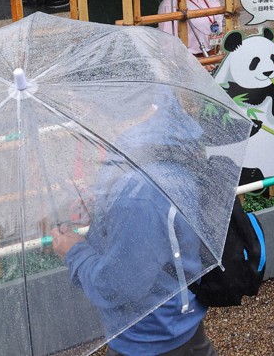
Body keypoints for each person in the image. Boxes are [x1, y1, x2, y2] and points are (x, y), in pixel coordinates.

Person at [51, 92, 223, 356]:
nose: (80, 116)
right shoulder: (162, 132)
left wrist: (74, 252)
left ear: (106, 104)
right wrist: (103, 203)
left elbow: (119, 286)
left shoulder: (139, 193)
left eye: (81, 106)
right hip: (179, 318)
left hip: (151, 335)